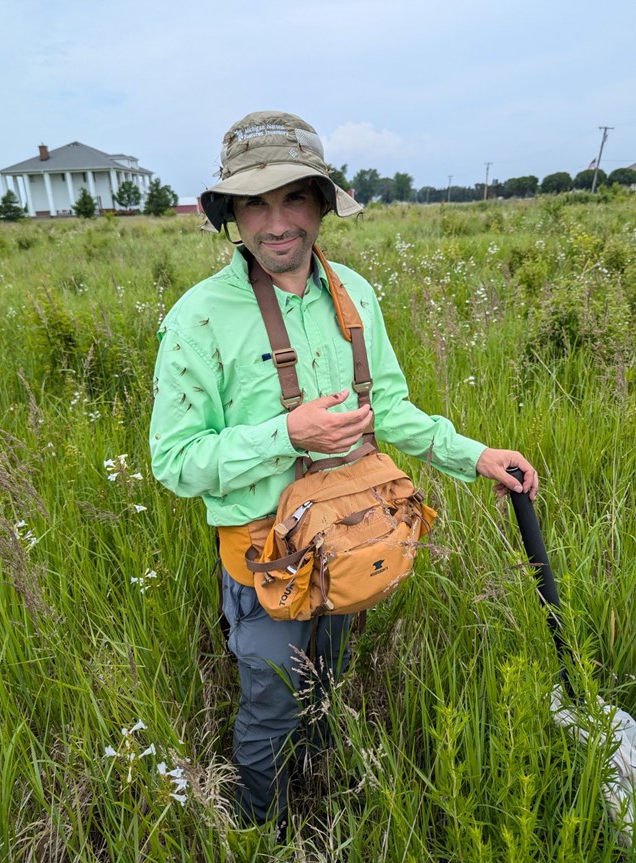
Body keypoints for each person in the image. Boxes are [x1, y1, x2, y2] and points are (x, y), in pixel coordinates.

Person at [149, 110, 538, 830]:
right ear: (231, 214)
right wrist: (284, 434)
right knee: (270, 701)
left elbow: (388, 406)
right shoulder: (198, 319)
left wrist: (476, 455)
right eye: (255, 203)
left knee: (328, 677)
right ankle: (259, 830)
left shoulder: (354, 292)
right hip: (266, 560)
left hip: (350, 540)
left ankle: (321, 787)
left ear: (322, 203)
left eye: (293, 197)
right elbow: (174, 462)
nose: (276, 223)